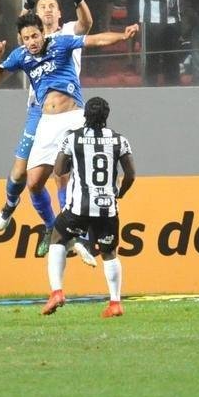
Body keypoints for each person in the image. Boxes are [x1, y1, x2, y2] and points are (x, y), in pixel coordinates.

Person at [0, 15, 138, 256]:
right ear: (21, 39)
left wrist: (122, 36)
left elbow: (96, 40)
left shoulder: (61, 43)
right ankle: (52, 227)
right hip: (46, 122)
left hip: (73, 118)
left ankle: (82, 233)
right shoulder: (20, 56)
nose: (31, 42)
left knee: (69, 176)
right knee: (34, 183)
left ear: (43, 33)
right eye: (26, 38)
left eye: (35, 36)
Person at [41, 96, 135, 319]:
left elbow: (59, 170)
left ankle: (57, 292)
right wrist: (119, 193)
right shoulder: (119, 140)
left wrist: (72, 160)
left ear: (85, 115)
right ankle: (115, 303)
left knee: (57, 238)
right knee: (109, 252)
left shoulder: (73, 139)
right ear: (106, 116)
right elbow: (130, 174)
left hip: (79, 207)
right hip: (107, 207)